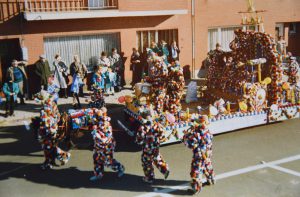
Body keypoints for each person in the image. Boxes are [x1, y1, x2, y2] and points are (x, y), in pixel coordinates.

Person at [90, 108, 125, 181]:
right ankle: (98, 174)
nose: (97, 118)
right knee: (96, 158)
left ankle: (120, 168)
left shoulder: (106, 124)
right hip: (98, 145)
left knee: (108, 161)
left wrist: (95, 133)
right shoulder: (97, 121)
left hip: (107, 146)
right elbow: (94, 112)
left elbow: (104, 138)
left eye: (98, 116)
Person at [183, 116, 215, 194]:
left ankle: (196, 189)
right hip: (208, 154)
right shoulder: (208, 132)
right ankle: (211, 179)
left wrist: (185, 135)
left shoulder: (196, 133)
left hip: (199, 155)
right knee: (207, 166)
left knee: (196, 171)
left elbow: (190, 145)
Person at [136, 118, 170, 184]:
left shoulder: (142, 128)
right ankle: (165, 169)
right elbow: (162, 136)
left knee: (146, 162)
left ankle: (149, 177)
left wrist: (141, 141)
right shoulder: (156, 125)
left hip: (147, 149)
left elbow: (139, 141)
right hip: (155, 147)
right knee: (157, 159)